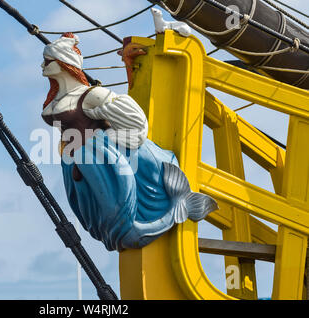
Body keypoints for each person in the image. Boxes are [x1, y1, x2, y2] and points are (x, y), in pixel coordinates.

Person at [41, 33, 218, 252]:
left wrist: (107, 140)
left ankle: (168, 211)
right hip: (77, 162)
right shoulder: (57, 99)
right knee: (98, 219)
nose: (43, 65)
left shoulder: (91, 96)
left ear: (63, 64)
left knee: (120, 223)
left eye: (48, 62)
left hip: (99, 159)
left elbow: (136, 123)